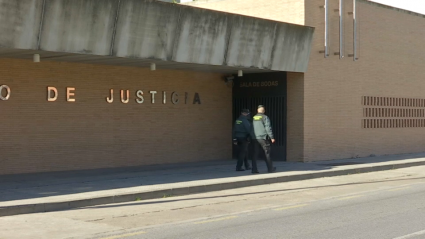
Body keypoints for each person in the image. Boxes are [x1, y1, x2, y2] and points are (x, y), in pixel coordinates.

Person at [251, 105, 276, 173]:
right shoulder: (265, 117)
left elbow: (250, 127)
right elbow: (268, 127)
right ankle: (270, 169)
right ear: (264, 111)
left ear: (257, 110)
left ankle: (254, 170)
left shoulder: (253, 118)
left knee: (255, 154)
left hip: (255, 138)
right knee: (267, 153)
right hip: (263, 138)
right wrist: (272, 137)